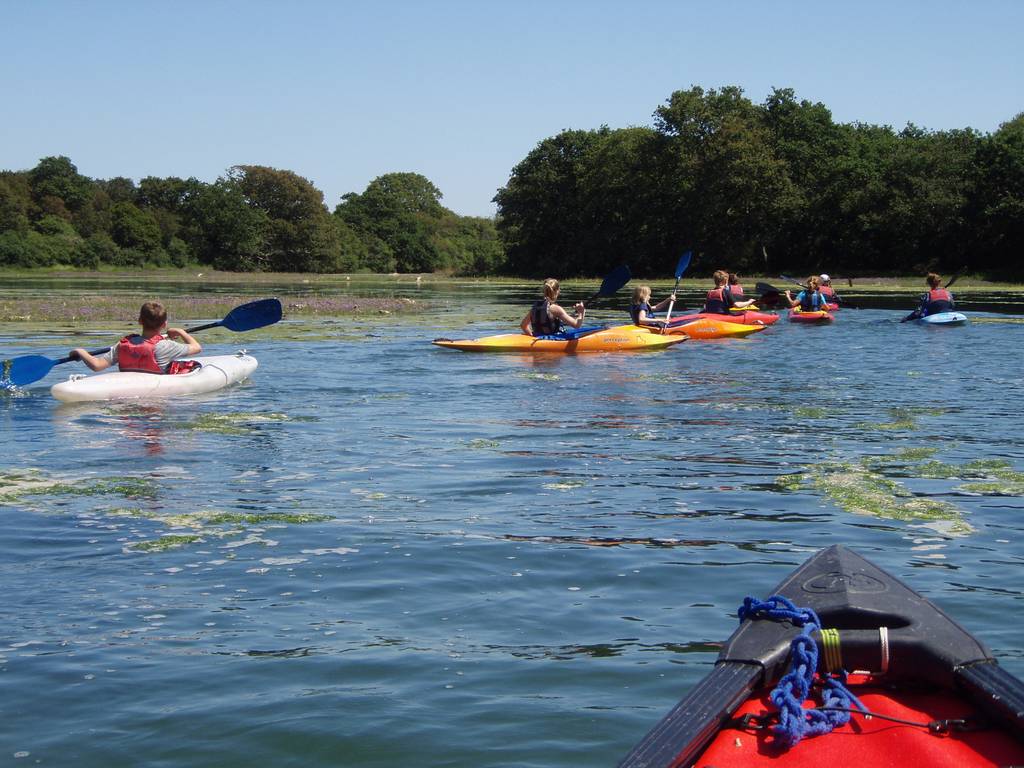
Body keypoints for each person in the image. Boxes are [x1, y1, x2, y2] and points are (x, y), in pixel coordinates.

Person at [71, 301, 202, 374]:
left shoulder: (124, 344)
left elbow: (97, 366)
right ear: (164, 324)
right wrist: (180, 332)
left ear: (140, 321)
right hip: (156, 399)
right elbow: (197, 348)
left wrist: (80, 351)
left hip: (127, 394)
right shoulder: (165, 346)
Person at [520, 278, 586, 336]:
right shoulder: (556, 309)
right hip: (552, 340)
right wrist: (581, 312)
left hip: (537, 339)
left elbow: (523, 325)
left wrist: (532, 336)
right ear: (557, 291)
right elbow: (576, 325)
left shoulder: (535, 306)